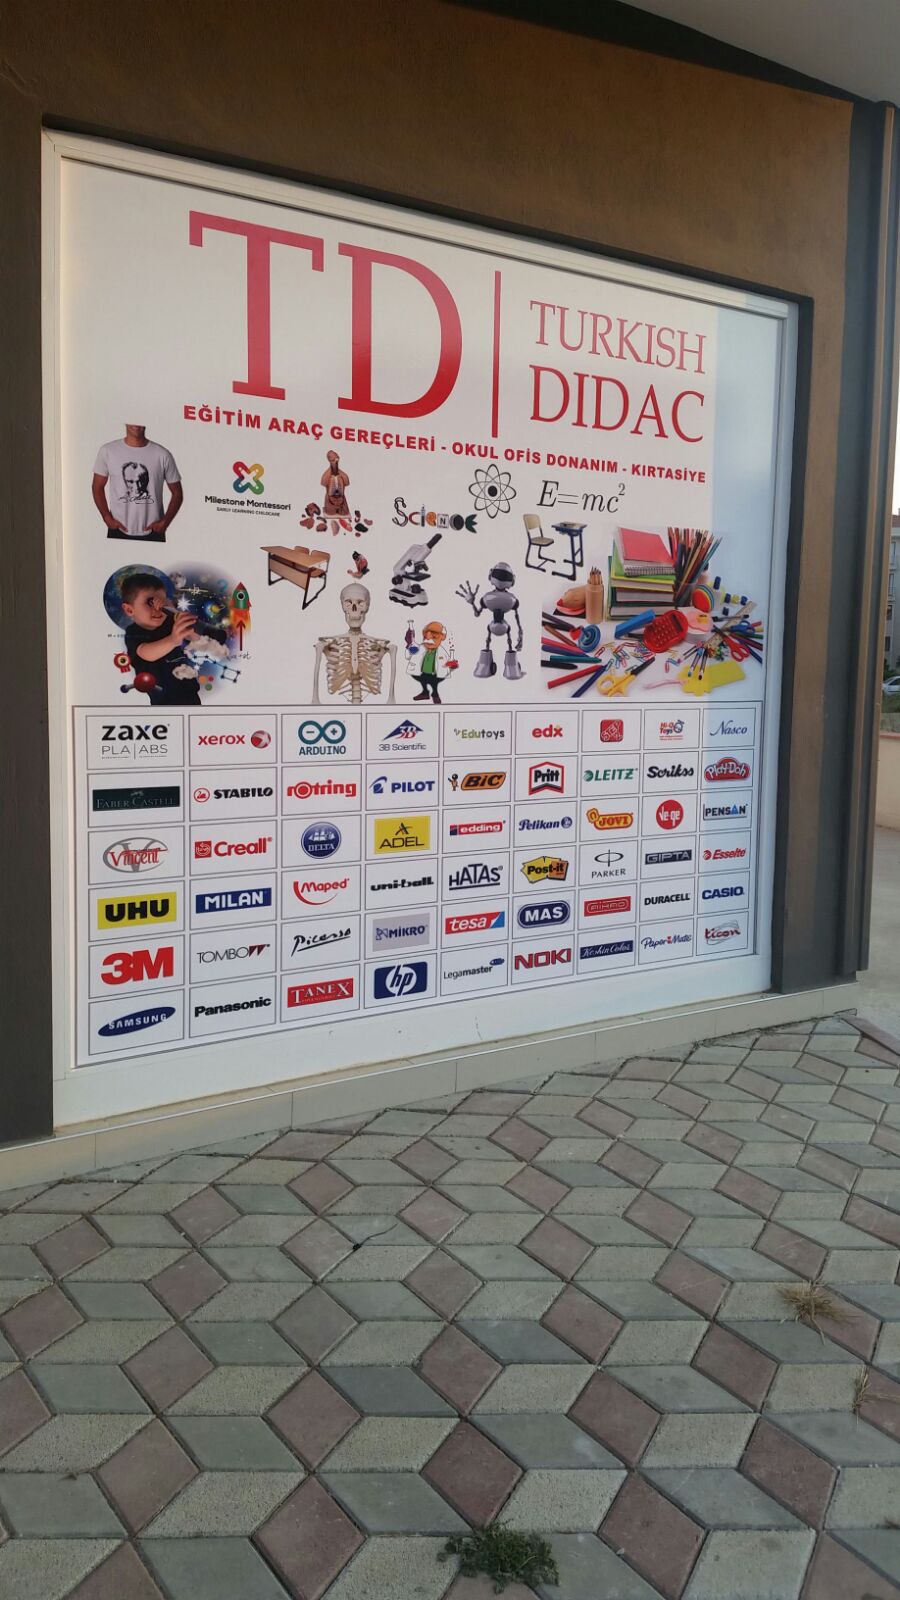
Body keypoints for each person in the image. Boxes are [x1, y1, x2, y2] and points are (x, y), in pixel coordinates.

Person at [119, 572, 201, 705]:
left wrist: (174, 613)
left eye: (161, 602)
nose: (158, 608)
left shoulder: (170, 622)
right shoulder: (133, 632)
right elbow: (146, 653)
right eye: (150, 603)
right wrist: (172, 640)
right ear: (129, 610)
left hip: (189, 692)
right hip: (163, 699)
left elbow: (196, 638)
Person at [93, 424, 183, 540]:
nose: (136, 486)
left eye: (141, 481)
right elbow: (97, 487)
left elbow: (177, 492)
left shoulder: (162, 454)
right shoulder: (107, 451)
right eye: (130, 481)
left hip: (154, 532)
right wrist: (106, 517)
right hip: (117, 530)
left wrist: (165, 522)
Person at [407, 619, 452, 704]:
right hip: (423, 672)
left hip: (435, 673)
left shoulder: (441, 652)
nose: (428, 640)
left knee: (434, 684)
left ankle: (435, 695)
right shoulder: (421, 648)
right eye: (425, 637)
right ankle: (425, 693)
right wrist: (410, 650)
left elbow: (447, 661)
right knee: (423, 680)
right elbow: (409, 655)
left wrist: (451, 665)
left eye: (434, 637)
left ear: (442, 637)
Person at [320, 449, 350, 517]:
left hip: (342, 499)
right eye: (332, 460)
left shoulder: (343, 475)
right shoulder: (325, 476)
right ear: (329, 461)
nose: (335, 462)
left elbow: (347, 482)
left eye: (336, 459)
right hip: (330, 500)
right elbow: (323, 483)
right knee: (330, 513)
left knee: (344, 513)